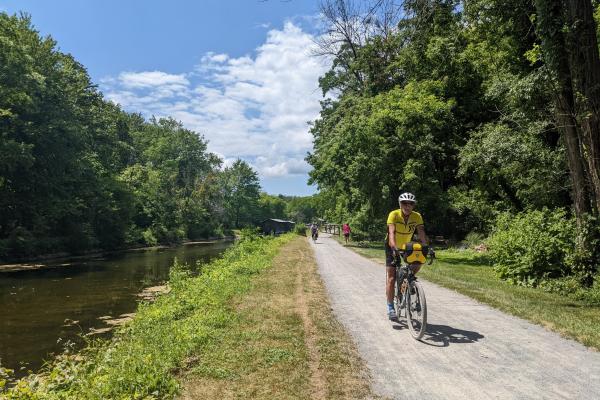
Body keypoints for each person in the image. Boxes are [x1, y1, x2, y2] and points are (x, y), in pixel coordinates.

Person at [385, 192, 428, 320]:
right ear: (400, 204)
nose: (407, 206)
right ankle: (391, 307)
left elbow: (421, 232)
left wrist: (425, 247)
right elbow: (391, 233)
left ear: (413, 206)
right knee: (392, 278)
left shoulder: (417, 216)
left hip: (407, 246)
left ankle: (408, 283)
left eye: (410, 204)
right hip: (391, 246)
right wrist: (393, 247)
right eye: (404, 203)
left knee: (418, 261)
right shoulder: (394, 214)